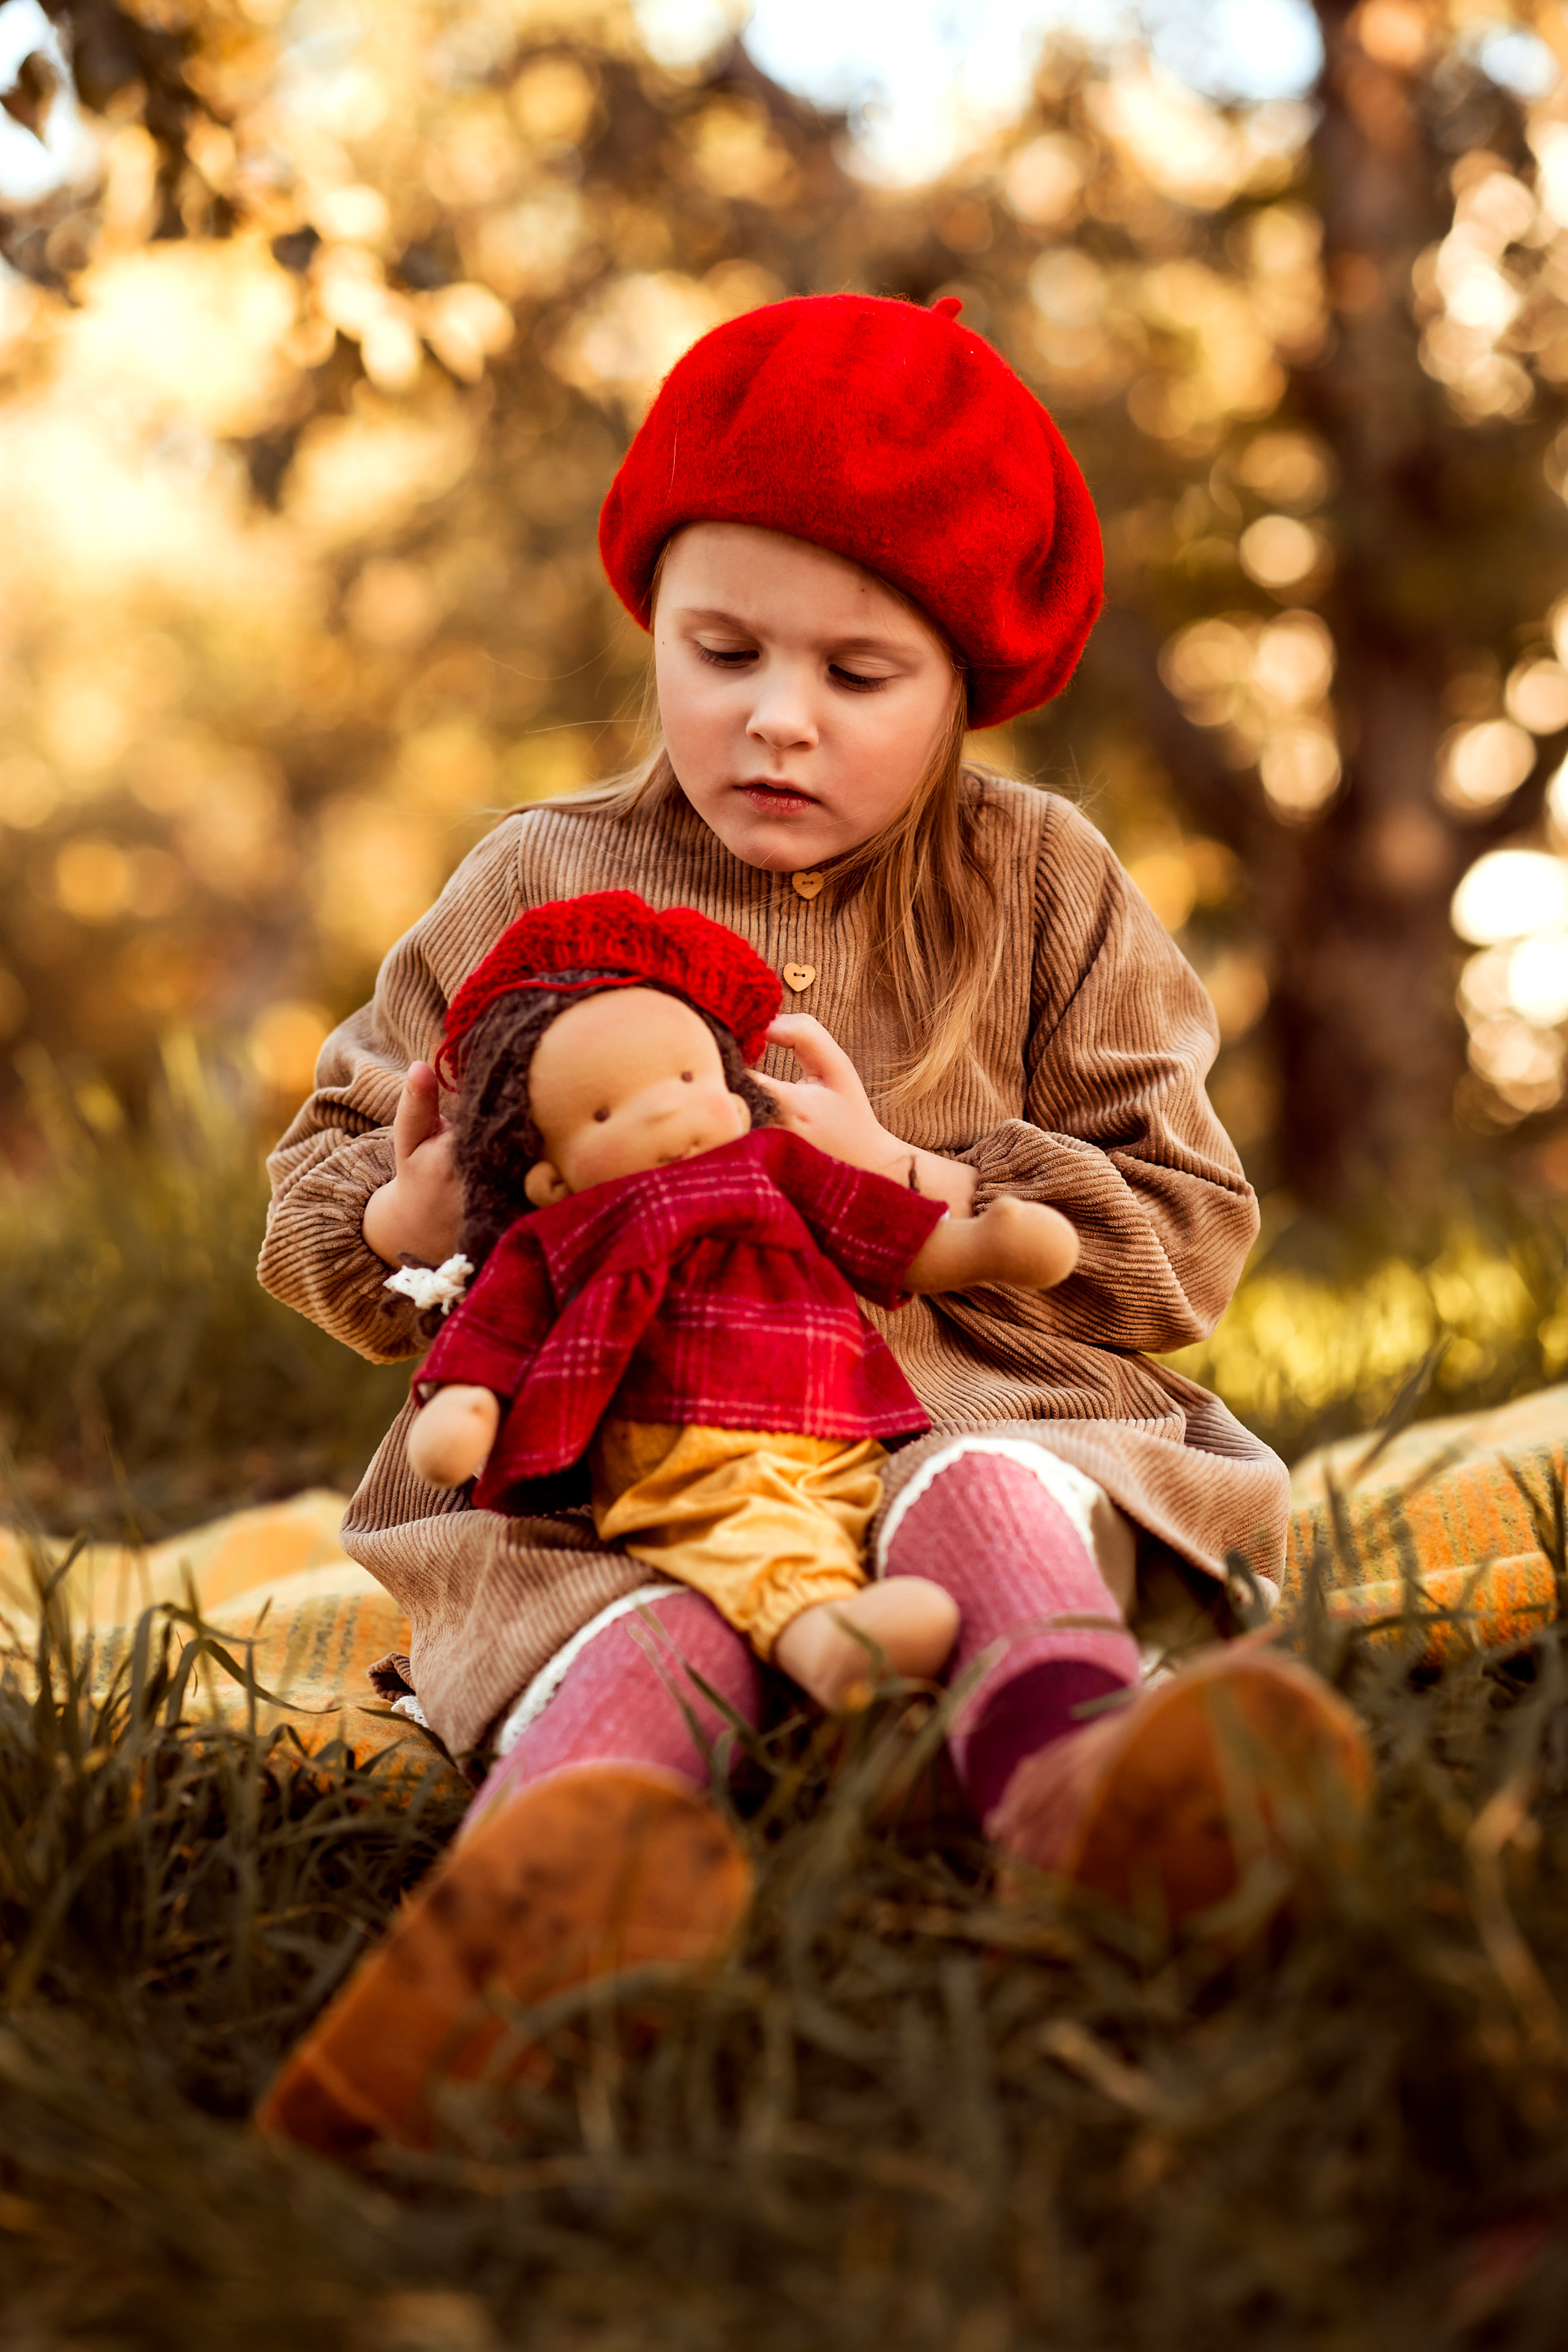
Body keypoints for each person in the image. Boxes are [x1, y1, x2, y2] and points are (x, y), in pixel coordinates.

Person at [255, 293, 1370, 2155]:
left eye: (861, 677)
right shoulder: (534, 874)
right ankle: (543, 1908)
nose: (777, 718)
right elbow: (324, 1205)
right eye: (723, 649)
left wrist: (928, 1180)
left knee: (1000, 1494)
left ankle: (1088, 1803)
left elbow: (1186, 1245)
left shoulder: (1045, 879)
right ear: (654, 622)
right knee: (623, 1618)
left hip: (978, 1400)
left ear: (966, 685)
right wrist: (413, 1205)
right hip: (614, 1450)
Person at [398, 889, 1080, 1713]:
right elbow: (497, 1328)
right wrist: (465, 1404)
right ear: (544, 1174)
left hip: (843, 1424)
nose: (673, 1104)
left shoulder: (774, 1166)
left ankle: (981, 1696)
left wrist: (981, 1246)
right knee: (739, 1533)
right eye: (609, 1109)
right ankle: (824, 1642)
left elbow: (879, 1229)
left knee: (894, 1512)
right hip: (677, 1442)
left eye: (689, 1076)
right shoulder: (562, 1231)